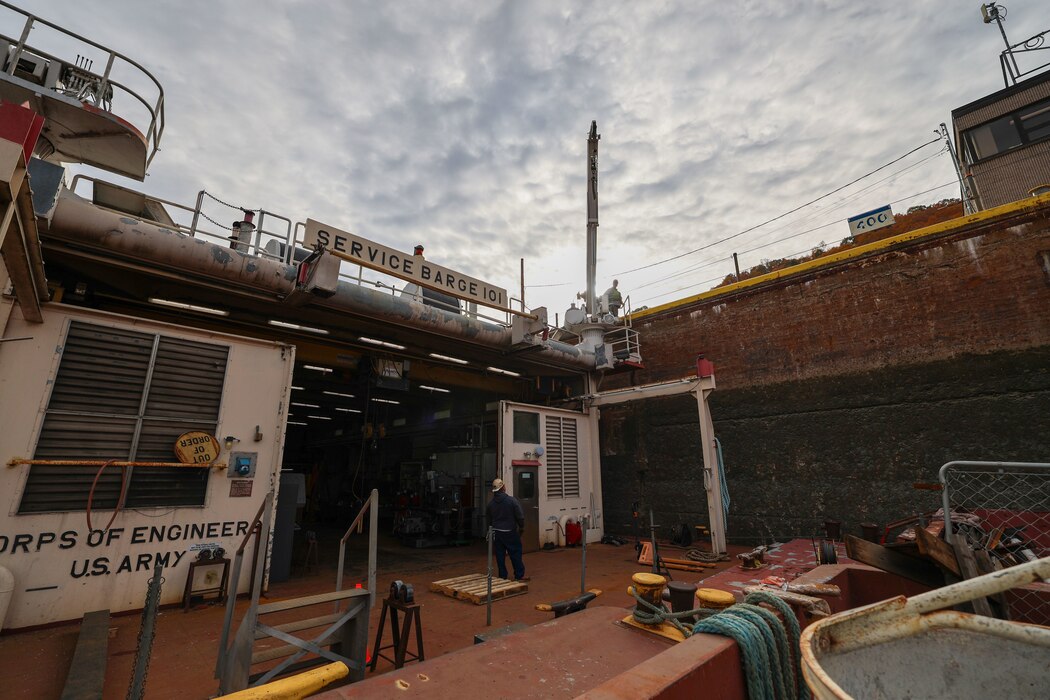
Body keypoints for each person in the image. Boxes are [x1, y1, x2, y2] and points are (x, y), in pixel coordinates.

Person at [486, 478, 528, 581]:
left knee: (500, 555)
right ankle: (519, 575)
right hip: (510, 532)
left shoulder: (491, 504)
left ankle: (503, 576)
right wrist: (521, 527)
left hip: (497, 533)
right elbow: (520, 516)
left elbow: (489, 520)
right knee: (515, 553)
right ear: (503, 487)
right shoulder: (512, 501)